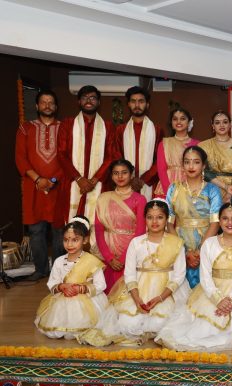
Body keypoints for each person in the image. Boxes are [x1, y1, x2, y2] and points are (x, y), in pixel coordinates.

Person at [156, 203, 232, 351]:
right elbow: (205, 276)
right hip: (213, 292)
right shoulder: (209, 244)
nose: (230, 223)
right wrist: (218, 299)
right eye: (225, 219)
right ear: (219, 221)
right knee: (203, 331)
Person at [78, 199, 188, 346]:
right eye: (150, 217)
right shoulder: (136, 243)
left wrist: (160, 298)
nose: (154, 221)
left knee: (163, 323)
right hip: (139, 290)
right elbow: (129, 274)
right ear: (144, 219)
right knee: (127, 324)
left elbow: (179, 275)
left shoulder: (176, 243)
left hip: (167, 291)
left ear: (167, 219)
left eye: (159, 217)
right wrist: (137, 299)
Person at [15, 89, 64, 281]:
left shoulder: (64, 128)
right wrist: (38, 179)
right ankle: (41, 269)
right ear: (36, 106)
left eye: (51, 102)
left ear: (56, 106)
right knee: (36, 230)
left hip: (58, 187)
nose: (47, 105)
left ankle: (59, 271)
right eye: (43, 102)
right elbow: (20, 158)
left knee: (60, 230)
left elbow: (69, 158)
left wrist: (52, 181)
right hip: (33, 187)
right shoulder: (25, 129)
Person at [54, 85, 117, 235]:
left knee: (98, 227)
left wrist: (94, 180)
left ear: (99, 102)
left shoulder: (108, 126)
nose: (89, 101)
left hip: (100, 184)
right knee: (71, 228)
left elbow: (111, 156)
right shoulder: (67, 124)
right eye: (84, 97)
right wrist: (79, 178)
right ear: (79, 102)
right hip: (73, 183)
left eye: (93, 98)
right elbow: (61, 154)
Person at [35, 216, 107, 339]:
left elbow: (101, 285)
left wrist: (82, 289)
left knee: (89, 325)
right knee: (56, 330)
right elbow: (52, 281)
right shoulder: (58, 261)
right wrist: (62, 286)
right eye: (66, 240)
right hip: (63, 297)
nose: (69, 244)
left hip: (87, 299)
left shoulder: (92, 261)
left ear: (85, 240)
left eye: (75, 240)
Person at [166, 146, 222, 289]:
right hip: (179, 242)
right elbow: (169, 223)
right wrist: (183, 251)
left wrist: (199, 251)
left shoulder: (212, 190)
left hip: (207, 241)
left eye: (196, 162)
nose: (191, 166)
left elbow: (215, 223)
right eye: (187, 162)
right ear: (182, 165)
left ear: (203, 165)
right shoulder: (174, 189)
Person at [94, 159, 147, 292]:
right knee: (107, 293)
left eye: (124, 173)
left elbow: (140, 231)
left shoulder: (140, 199)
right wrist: (109, 257)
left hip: (130, 251)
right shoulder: (103, 198)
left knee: (127, 293)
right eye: (116, 173)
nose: (120, 176)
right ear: (111, 176)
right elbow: (99, 230)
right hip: (108, 251)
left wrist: (124, 258)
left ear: (131, 175)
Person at [114, 86, 164, 200]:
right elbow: (117, 156)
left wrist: (144, 179)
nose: (137, 105)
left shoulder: (157, 130)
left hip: (148, 184)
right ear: (128, 104)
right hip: (125, 181)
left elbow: (160, 159)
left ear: (147, 105)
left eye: (141, 101)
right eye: (133, 101)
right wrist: (130, 178)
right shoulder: (120, 130)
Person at [200, 110, 232, 207]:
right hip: (212, 189)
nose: (222, 125)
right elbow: (202, 170)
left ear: (230, 125)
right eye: (217, 122)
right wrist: (225, 186)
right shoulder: (203, 146)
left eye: (225, 122)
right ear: (212, 126)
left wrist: (230, 193)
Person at [154, 107, 199, 197]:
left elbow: (199, 170)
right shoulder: (164, 144)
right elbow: (161, 170)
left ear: (189, 122)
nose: (178, 122)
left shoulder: (198, 144)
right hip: (166, 188)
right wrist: (170, 193)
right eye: (175, 119)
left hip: (190, 188)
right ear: (171, 123)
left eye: (182, 119)